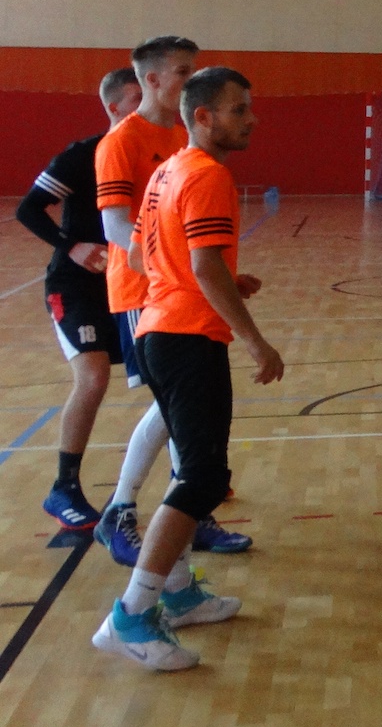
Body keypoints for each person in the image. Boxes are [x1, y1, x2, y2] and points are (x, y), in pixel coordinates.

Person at [92, 67, 282, 672]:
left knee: (192, 471)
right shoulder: (207, 175)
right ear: (203, 117)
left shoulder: (167, 170)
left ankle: (179, 595)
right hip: (185, 338)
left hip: (157, 329)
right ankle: (131, 615)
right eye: (238, 109)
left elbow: (145, 253)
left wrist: (220, 278)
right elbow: (201, 266)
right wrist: (256, 342)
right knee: (202, 478)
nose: (250, 119)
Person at [95, 37, 250, 565]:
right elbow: (117, 227)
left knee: (179, 411)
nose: (192, 79)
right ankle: (125, 509)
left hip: (176, 288)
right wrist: (180, 271)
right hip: (146, 290)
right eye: (184, 71)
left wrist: (213, 275)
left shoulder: (184, 143)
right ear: (153, 80)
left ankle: (189, 511)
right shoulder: (123, 141)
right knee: (173, 408)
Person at [17, 67, 141, 534]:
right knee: (93, 377)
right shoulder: (83, 155)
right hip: (76, 286)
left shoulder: (156, 156)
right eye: (136, 98)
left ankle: (191, 473)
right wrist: (71, 245)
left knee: (165, 375)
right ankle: (64, 487)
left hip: (129, 283)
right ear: (114, 106)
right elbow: (28, 208)